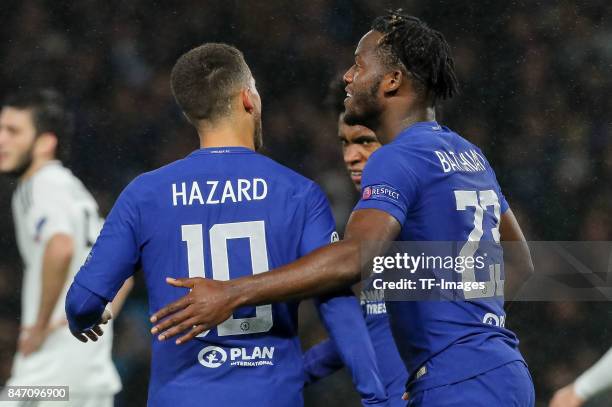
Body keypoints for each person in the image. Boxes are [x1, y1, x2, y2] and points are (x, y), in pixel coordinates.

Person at [150, 12, 536, 406]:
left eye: (359, 64)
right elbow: (520, 262)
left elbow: (354, 257)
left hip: (460, 385)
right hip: (502, 370)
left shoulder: (395, 158)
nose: (349, 76)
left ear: (392, 81)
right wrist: (462, 334)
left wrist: (232, 293)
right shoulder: (466, 152)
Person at [65, 43, 388, 407]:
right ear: (248, 98)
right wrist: (374, 396)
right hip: (269, 397)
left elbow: (82, 301)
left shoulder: (145, 194)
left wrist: (86, 318)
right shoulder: (298, 193)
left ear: (190, 112)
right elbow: (335, 302)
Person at [0, 89, 131, 406]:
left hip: (51, 374)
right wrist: (93, 316)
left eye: (13, 131)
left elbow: (60, 247)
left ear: (45, 142)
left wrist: (42, 326)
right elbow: (124, 275)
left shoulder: (40, 185)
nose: (2, 140)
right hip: (89, 376)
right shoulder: (74, 190)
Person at [303, 79, 408, 406]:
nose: (351, 156)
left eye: (364, 141)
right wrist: (290, 373)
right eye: (344, 143)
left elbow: (484, 300)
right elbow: (372, 326)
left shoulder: (427, 211)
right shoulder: (370, 219)